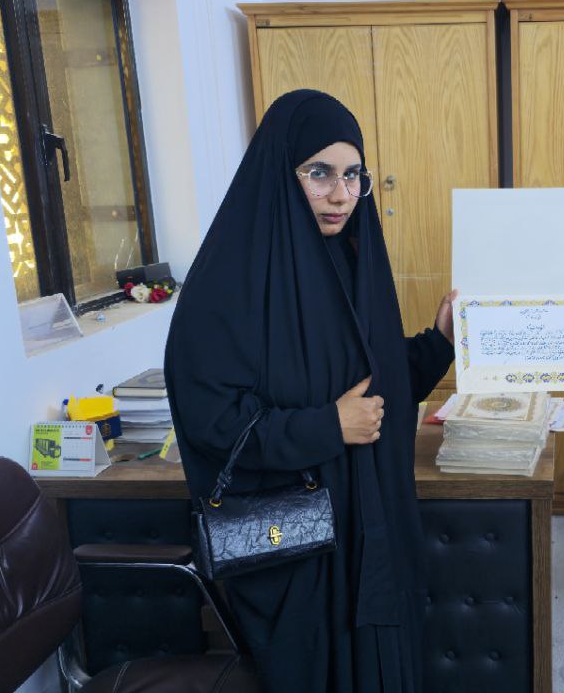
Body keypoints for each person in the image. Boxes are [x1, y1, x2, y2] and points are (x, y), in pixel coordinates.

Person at [165, 90, 456, 693]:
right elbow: (210, 418)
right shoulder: (228, 285)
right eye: (319, 172)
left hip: (371, 525)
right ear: (280, 172)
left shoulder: (353, 261)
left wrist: (438, 343)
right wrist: (329, 426)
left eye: (353, 175)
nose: (340, 194)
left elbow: (370, 384)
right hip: (298, 546)